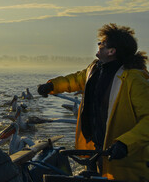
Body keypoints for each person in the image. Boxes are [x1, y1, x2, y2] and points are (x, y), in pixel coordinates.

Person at [37, 23, 149, 180]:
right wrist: (52, 86)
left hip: (124, 157)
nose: (99, 45)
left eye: (102, 43)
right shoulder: (95, 69)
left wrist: (124, 144)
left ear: (112, 51)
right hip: (97, 150)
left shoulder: (133, 79)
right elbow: (76, 79)